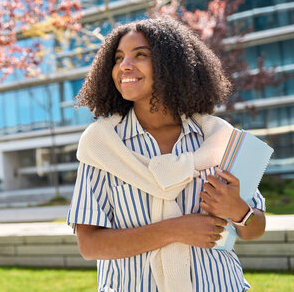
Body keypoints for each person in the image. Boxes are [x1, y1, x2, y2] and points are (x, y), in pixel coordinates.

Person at [67, 17, 266, 292]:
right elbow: (89, 246)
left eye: (141, 55)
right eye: (118, 58)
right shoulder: (102, 146)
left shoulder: (222, 139)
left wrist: (240, 211)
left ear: (171, 66)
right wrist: (175, 230)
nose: (124, 65)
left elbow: (255, 229)